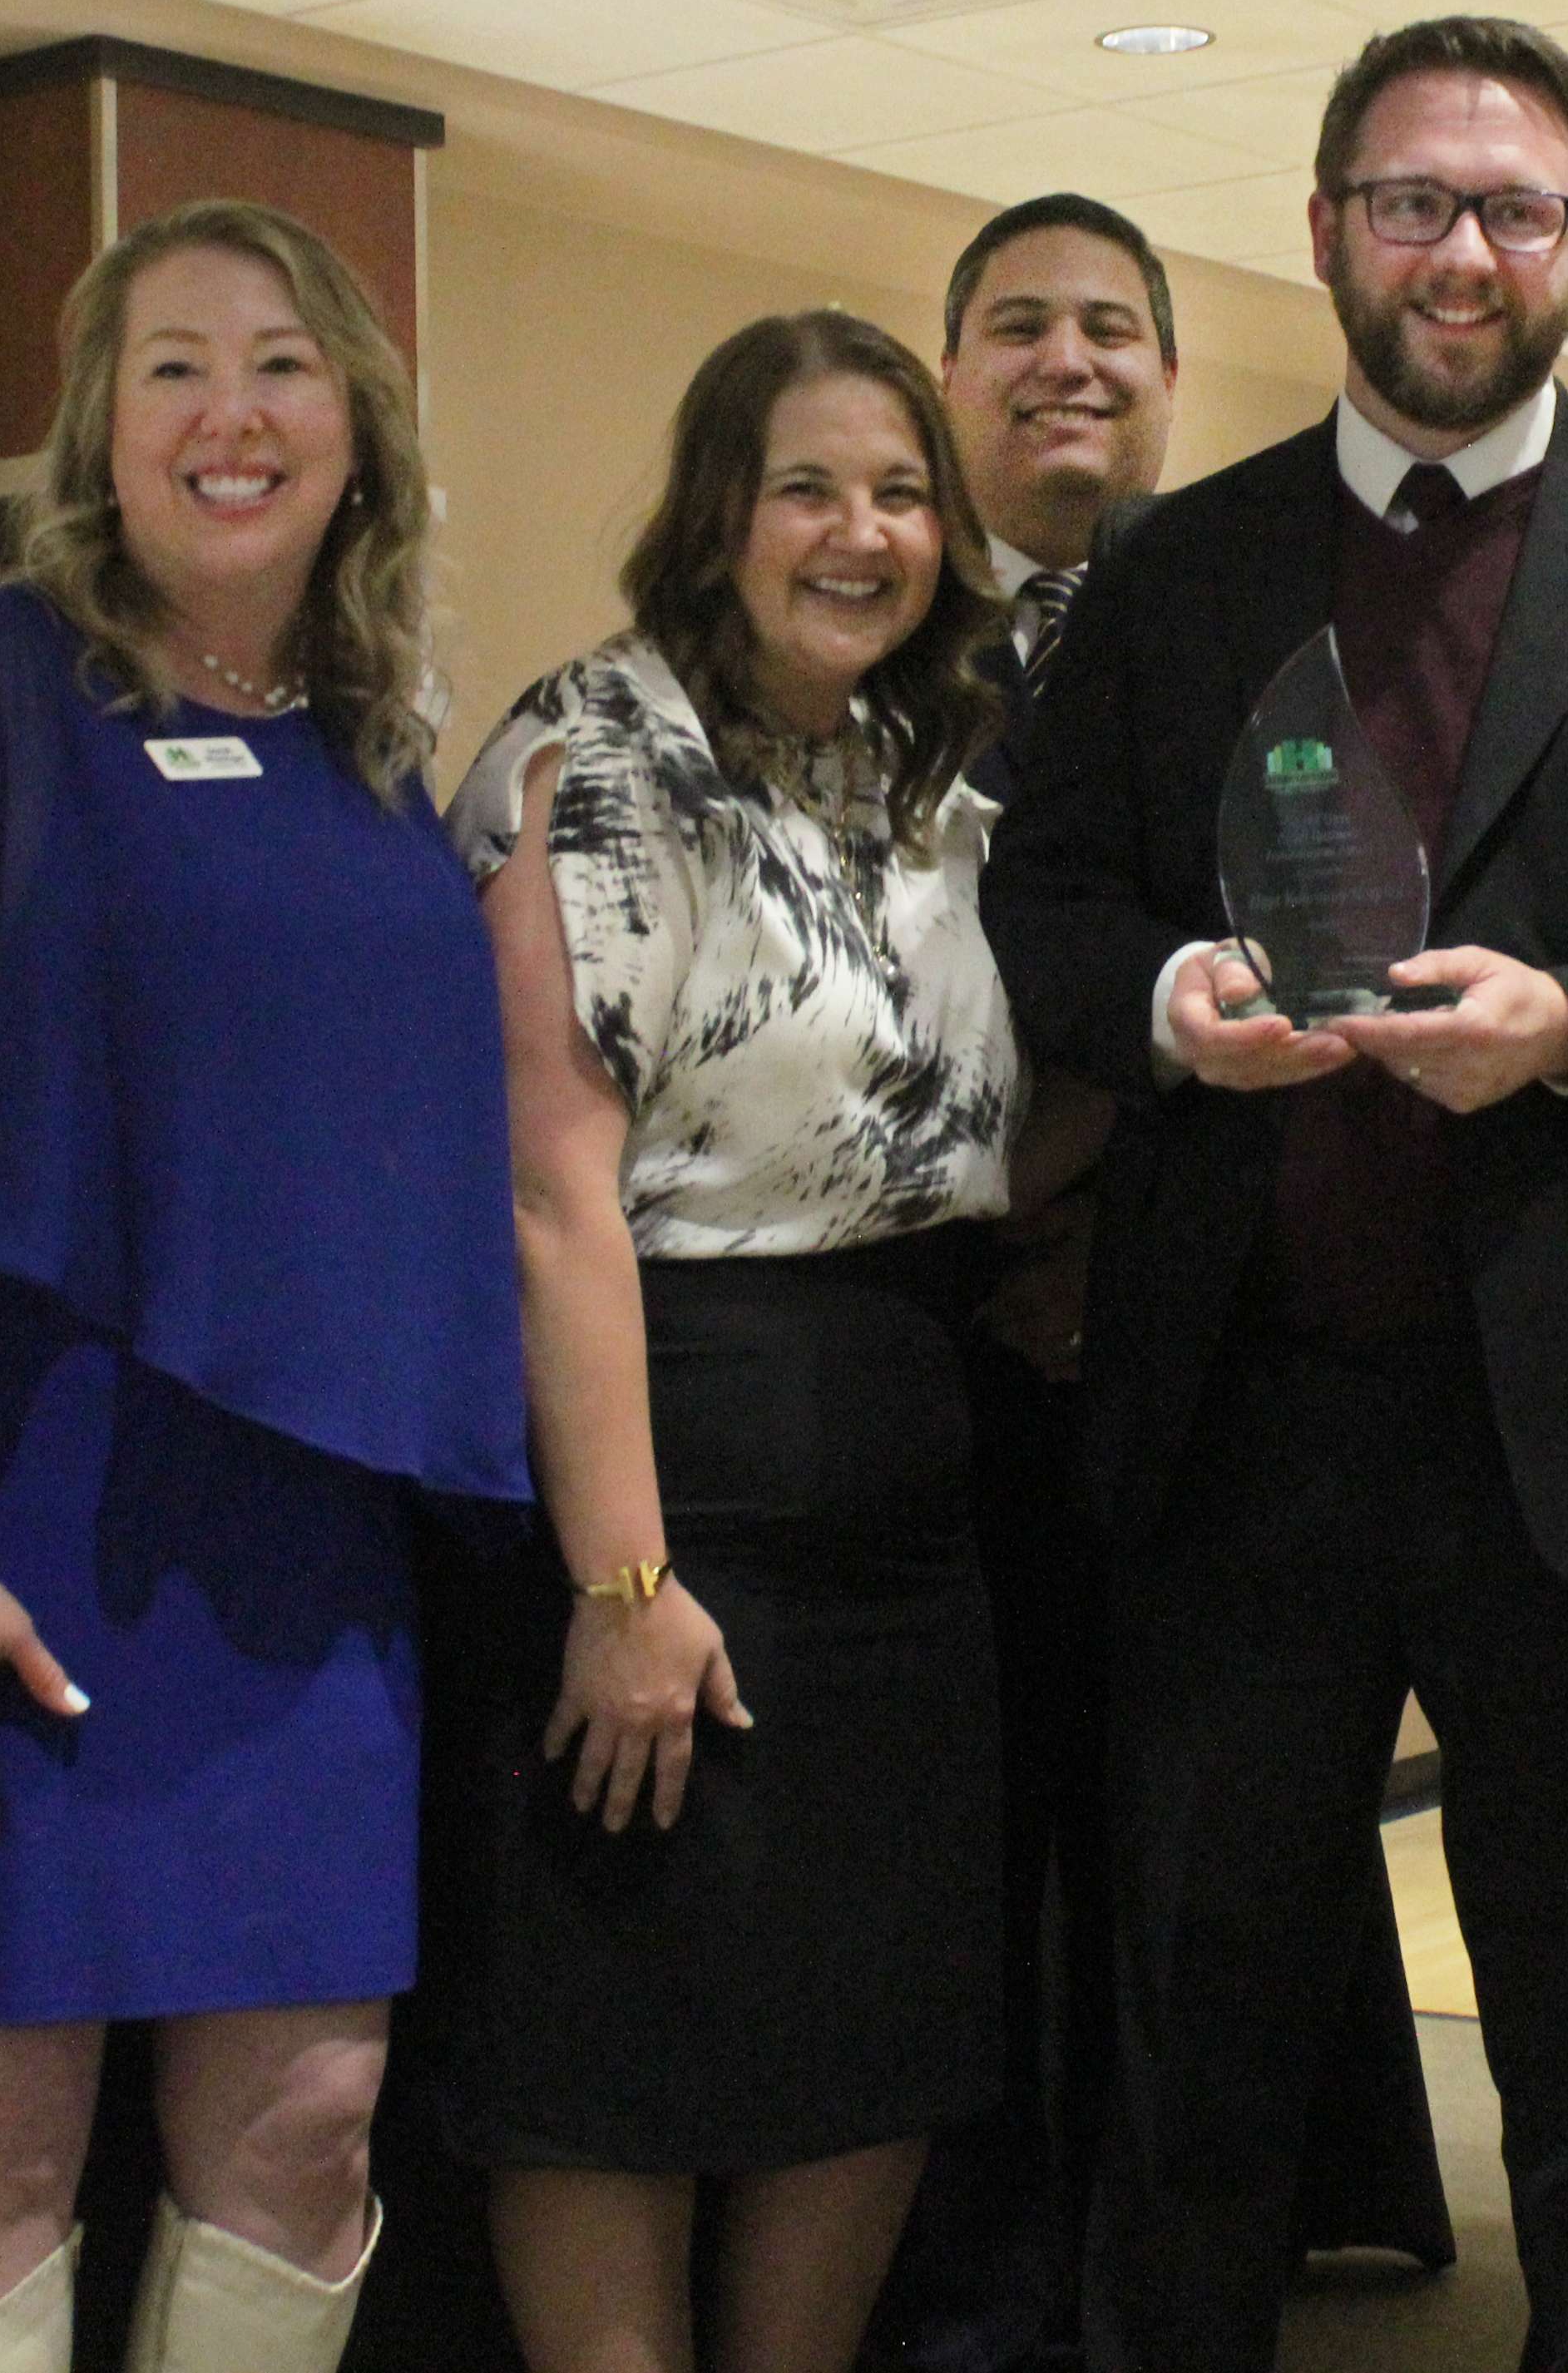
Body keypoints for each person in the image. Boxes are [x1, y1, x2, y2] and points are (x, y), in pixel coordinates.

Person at [982, 16, 1568, 2373]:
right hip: (1244, 1434)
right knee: (1194, 2058)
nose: (1459, 250)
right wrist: (1169, 999)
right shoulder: (1180, 570)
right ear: (1326, 228)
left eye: (1513, 209)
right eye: (1411, 201)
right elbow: (1051, 911)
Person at [0, 196, 532, 2372]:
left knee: (311, 2118)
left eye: (280, 362)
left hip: (296, 1534)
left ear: (355, 418)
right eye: (171, 366)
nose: (231, 413)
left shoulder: (368, 746)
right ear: (99, 425)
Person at [878, 195, 1447, 2373]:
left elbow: (1308, 929)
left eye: (1111, 327)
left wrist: (1101, 1216)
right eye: (1017, 327)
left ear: (1170, 372)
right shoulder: (866, 627)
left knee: (1183, 1841)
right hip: (924, 1321)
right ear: (955, 378)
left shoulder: (1256, 616)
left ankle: (1182, 2245)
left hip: (1184, 1308)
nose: (1069, 364)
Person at [434, 308, 1021, 2373]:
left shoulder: (912, 775)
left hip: (901, 1517)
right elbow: (544, 1195)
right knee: (621, 2053)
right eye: (806, 486)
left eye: (896, 492)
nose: (857, 532)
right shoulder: (600, 760)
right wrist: (622, 1579)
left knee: (865, 2045)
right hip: (672, 1490)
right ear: (717, 512)